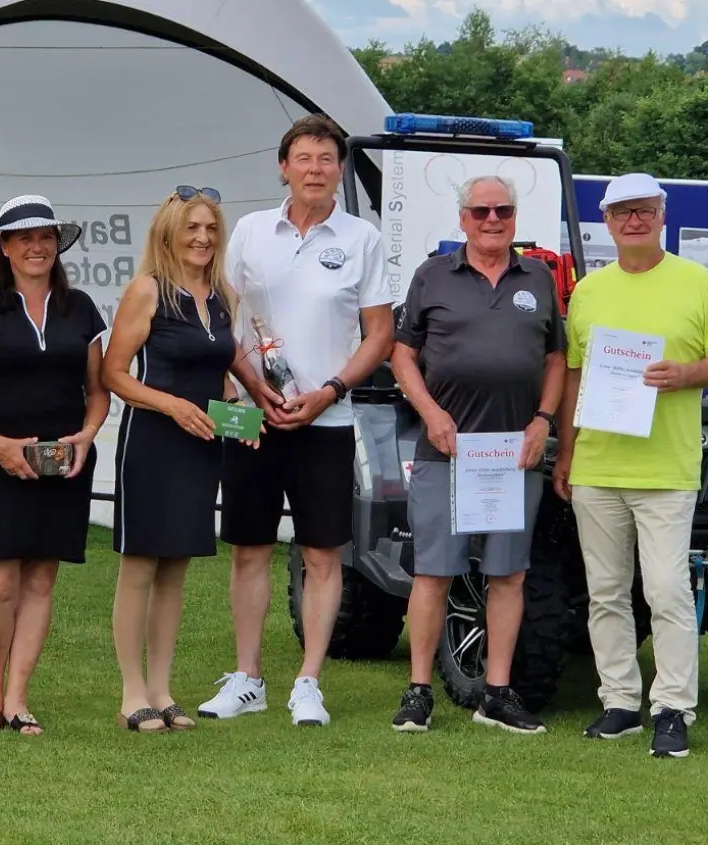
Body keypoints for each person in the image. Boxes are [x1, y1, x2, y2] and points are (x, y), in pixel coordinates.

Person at [199, 114, 394, 727]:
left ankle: (308, 681)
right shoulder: (250, 233)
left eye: (326, 159)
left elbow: (380, 334)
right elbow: (218, 320)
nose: (315, 169)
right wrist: (251, 389)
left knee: (322, 553)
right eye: (304, 158)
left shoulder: (362, 238)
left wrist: (330, 389)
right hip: (250, 418)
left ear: (339, 169)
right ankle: (248, 677)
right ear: (283, 166)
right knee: (249, 549)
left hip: (328, 419)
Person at [553, 172, 708, 759]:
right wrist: (568, 449)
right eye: (622, 213)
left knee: (666, 591)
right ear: (606, 222)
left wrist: (685, 375)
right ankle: (618, 702)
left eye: (644, 211)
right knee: (606, 592)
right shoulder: (588, 291)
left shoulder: (697, 283)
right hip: (599, 465)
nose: (634, 221)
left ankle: (673, 709)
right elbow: (576, 376)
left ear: (662, 215)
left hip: (666, 467)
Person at [387, 175, 564, 734]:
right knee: (435, 572)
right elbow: (401, 355)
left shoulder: (537, 276)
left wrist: (543, 421)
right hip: (448, 450)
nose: (493, 220)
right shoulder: (432, 276)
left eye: (503, 211)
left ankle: (497, 693)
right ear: (463, 218)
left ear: (515, 217)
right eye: (482, 211)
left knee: (507, 572)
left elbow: (556, 359)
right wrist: (431, 413)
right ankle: (419, 691)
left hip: (515, 452)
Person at [0, 194, 110, 738]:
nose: (37, 246)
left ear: (58, 244)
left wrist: (87, 436)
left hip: (62, 464)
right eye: (25, 238)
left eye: (46, 237)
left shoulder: (81, 307)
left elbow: (98, 390)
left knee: (41, 580)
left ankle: (19, 697)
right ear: (6, 248)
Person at [102, 186, 239, 733]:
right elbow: (113, 374)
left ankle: (162, 688)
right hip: (152, 442)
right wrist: (173, 406)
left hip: (202, 443)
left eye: (210, 228)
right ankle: (132, 691)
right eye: (192, 228)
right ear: (169, 234)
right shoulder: (147, 291)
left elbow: (219, 378)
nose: (203, 238)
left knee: (176, 570)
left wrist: (239, 421)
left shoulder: (222, 295)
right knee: (140, 566)